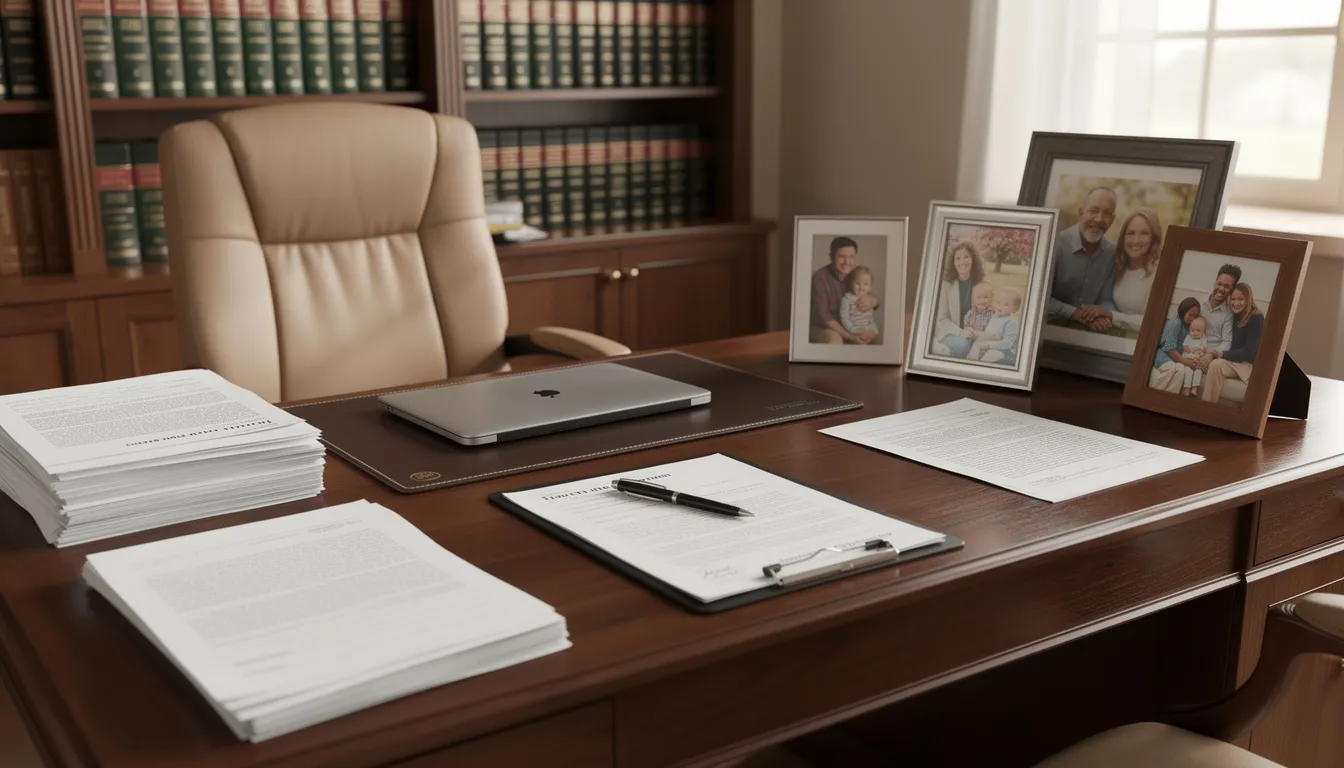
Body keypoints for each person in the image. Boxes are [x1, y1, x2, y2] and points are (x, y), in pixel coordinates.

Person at [1150, 264, 1239, 393]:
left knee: (1189, 369)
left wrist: (1210, 355)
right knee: (1180, 370)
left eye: (1226, 286)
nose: (1221, 288)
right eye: (1219, 283)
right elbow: (1179, 320)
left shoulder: (1229, 313)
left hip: (1208, 354)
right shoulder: (1198, 303)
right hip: (1188, 349)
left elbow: (1227, 341)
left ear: (1232, 289)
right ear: (1215, 282)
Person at [1048, 187, 1118, 331]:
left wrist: (1103, 314)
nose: (1099, 219)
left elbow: (1106, 298)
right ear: (1080, 213)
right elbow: (1040, 297)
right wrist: (1074, 313)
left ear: (1112, 220)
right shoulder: (1055, 245)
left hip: (1088, 334)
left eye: (1107, 214)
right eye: (1093, 211)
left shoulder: (1111, 252)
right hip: (1051, 329)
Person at [1201, 282, 1265, 404]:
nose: (1236, 303)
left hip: (1246, 365)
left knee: (1216, 365)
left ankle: (1206, 408)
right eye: (1233, 299)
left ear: (1248, 299)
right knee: (1200, 359)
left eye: (1241, 299)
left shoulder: (1256, 318)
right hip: (1232, 361)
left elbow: (1248, 352)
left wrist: (1219, 354)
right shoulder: (1233, 316)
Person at [810, 236, 879, 344]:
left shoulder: (855, 274)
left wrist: (874, 300)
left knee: (880, 340)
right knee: (834, 340)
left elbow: (866, 292)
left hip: (851, 325)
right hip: (824, 326)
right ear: (831, 257)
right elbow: (822, 316)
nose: (847, 262)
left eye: (851, 256)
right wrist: (850, 336)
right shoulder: (820, 278)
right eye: (842, 256)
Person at [1110, 208, 1162, 333]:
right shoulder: (1117, 266)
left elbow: (1154, 321)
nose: (1136, 240)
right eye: (1131, 233)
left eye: (1144, 233)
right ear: (1123, 236)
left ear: (1153, 238)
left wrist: (1111, 316)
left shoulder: (1159, 273)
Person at [931, 242, 987, 357]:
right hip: (951, 332)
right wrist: (961, 332)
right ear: (953, 263)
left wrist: (977, 333)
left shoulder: (980, 283)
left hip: (975, 333)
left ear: (973, 259)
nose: (962, 262)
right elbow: (942, 319)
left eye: (966, 257)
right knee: (964, 346)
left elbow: (988, 311)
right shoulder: (946, 285)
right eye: (958, 259)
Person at [1149, 297, 1201, 394]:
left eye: (1195, 316)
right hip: (1164, 355)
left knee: (1181, 370)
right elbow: (1170, 349)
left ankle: (1168, 397)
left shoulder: (1189, 326)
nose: (1192, 319)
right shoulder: (1175, 323)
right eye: (1190, 315)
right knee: (1171, 368)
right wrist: (1186, 361)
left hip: (1176, 358)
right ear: (1183, 311)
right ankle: (1153, 393)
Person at [969, 287, 1021, 364]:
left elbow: (1007, 343)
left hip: (1002, 350)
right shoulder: (995, 316)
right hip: (988, 345)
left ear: (1015, 309)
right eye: (998, 302)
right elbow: (988, 332)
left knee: (989, 357)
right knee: (974, 350)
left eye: (1006, 305)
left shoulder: (1011, 322)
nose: (1000, 306)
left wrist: (988, 345)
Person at [839, 266, 880, 343]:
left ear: (870, 287)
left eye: (865, 284)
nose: (861, 287)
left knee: (879, 341)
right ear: (851, 284)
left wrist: (874, 331)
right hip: (853, 331)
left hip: (868, 330)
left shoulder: (869, 300)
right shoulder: (846, 299)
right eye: (857, 283)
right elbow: (844, 319)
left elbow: (870, 319)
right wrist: (854, 331)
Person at [959, 282, 996, 346]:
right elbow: (966, 324)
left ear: (992, 297)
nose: (982, 301)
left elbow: (994, 332)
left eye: (986, 297)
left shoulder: (993, 313)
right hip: (971, 339)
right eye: (978, 297)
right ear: (973, 298)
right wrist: (967, 329)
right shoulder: (971, 312)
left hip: (985, 340)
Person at [1180, 316, 1208, 397]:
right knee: (1188, 371)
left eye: (1198, 331)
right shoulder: (1188, 337)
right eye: (1192, 330)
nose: (1194, 333)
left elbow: (1204, 349)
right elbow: (1185, 347)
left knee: (1198, 372)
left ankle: (1194, 388)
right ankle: (1187, 388)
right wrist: (1191, 350)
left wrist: (1201, 351)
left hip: (1198, 359)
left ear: (1203, 332)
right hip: (1188, 358)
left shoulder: (1203, 338)